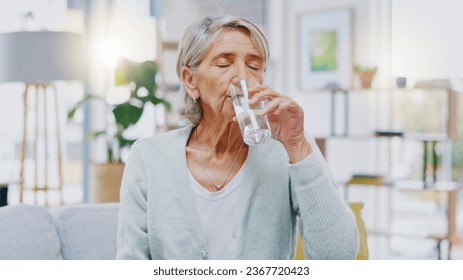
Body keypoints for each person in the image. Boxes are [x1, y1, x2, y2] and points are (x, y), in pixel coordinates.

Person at [116, 15, 359, 260]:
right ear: (190, 81)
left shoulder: (288, 149)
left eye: (254, 66)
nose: (243, 77)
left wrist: (298, 145)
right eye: (223, 64)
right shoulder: (148, 157)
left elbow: (338, 257)